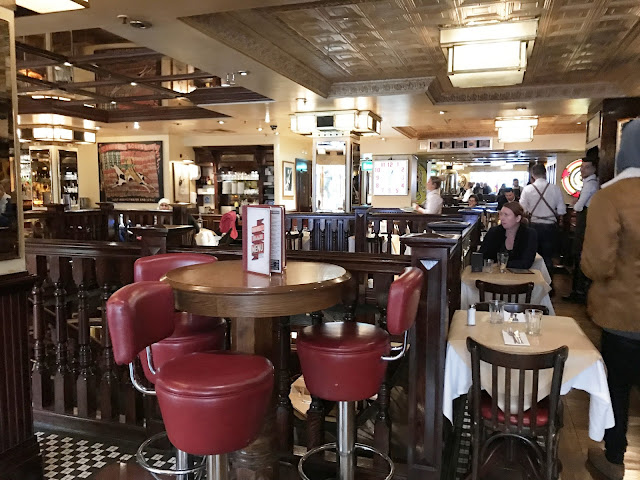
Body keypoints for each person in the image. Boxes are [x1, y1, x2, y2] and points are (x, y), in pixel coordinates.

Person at [584, 119, 640, 480]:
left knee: (617, 387)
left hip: (624, 314)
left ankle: (615, 458)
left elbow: (596, 265)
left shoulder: (611, 197)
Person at [563, 147, 599, 303]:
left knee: (579, 256)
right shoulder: (591, 183)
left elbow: (578, 207)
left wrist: (576, 203)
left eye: (586, 167)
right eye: (582, 167)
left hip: (585, 225)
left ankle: (579, 292)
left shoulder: (590, 184)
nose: (583, 170)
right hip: (585, 223)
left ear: (594, 169)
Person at [519, 163, 566, 283]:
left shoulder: (528, 189)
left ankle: (533, 284)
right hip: (550, 227)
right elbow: (562, 211)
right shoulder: (555, 188)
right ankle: (548, 285)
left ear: (532, 175)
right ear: (545, 174)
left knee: (532, 256)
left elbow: (522, 209)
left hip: (534, 226)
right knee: (548, 258)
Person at [479, 201, 537, 269]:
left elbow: (526, 263)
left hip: (519, 275)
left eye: (506, 215)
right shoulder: (494, 232)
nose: (501, 218)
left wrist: (501, 265)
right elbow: (482, 256)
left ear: (518, 218)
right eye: (501, 214)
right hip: (494, 274)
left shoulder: (529, 234)